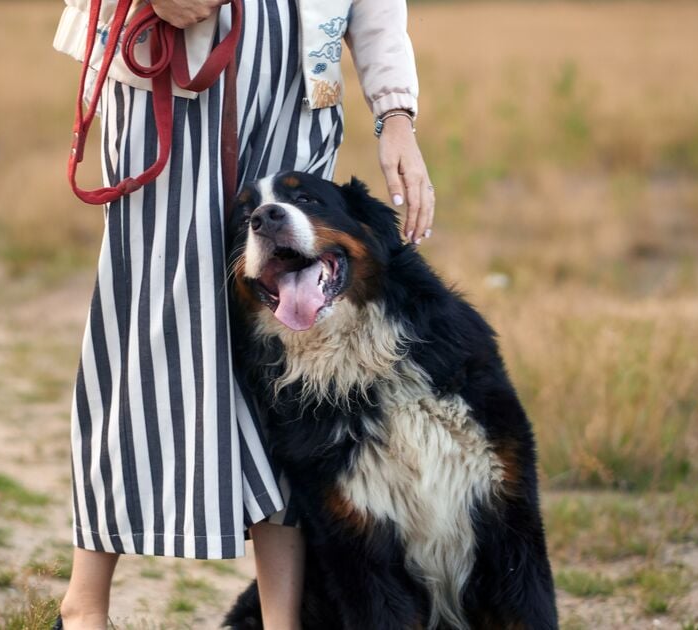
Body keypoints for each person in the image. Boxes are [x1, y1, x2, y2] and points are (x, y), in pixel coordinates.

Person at [51, 0, 434, 627]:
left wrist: (395, 115)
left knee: (290, 331)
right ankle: (85, 602)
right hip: (170, 72)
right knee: (151, 323)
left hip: (300, 90)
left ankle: (283, 622)